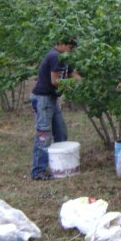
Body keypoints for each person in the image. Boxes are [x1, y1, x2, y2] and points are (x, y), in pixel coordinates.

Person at [30, 36, 82, 180]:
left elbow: (72, 73)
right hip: (43, 99)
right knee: (44, 136)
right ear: (63, 44)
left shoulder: (64, 58)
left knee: (61, 132)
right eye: (70, 48)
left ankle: (60, 165)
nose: (71, 52)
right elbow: (55, 81)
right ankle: (38, 172)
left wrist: (85, 84)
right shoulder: (55, 56)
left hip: (52, 99)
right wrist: (70, 86)